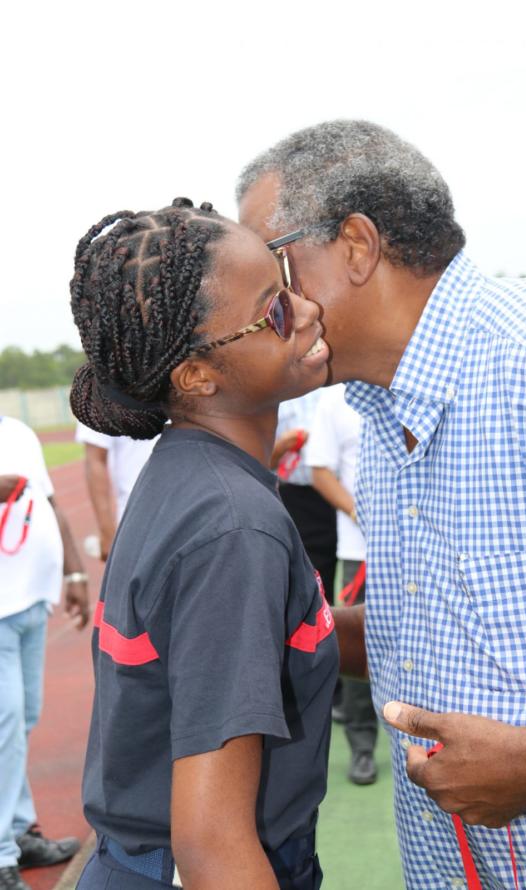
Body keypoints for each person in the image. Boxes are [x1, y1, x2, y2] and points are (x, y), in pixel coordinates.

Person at [237, 120, 526, 887]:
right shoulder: (379, 407)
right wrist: (272, 630)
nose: (265, 312)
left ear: (356, 246)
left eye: (271, 273)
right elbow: (440, 623)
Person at [69, 198, 338, 890]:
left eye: (288, 284)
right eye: (275, 310)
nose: (308, 310)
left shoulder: (185, 472)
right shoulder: (233, 525)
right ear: (196, 376)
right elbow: (211, 843)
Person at [0, 416, 89, 890]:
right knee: (5, 725)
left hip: (31, 600)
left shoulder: (18, 432)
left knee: (21, 722)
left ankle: (18, 831)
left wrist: (74, 573)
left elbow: (50, 503)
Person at [307, 384, 377, 785]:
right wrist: (362, 514)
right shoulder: (335, 400)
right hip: (359, 550)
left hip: (420, 548)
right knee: (360, 646)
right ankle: (362, 746)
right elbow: (320, 471)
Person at [269, 393, 337, 606]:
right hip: (297, 497)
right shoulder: (280, 394)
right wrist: (283, 445)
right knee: (309, 570)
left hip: (339, 496)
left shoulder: (337, 392)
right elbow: (261, 458)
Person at [74, 423, 158, 559]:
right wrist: (107, 532)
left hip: (186, 507)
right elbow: (95, 458)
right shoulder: (99, 408)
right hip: (137, 517)